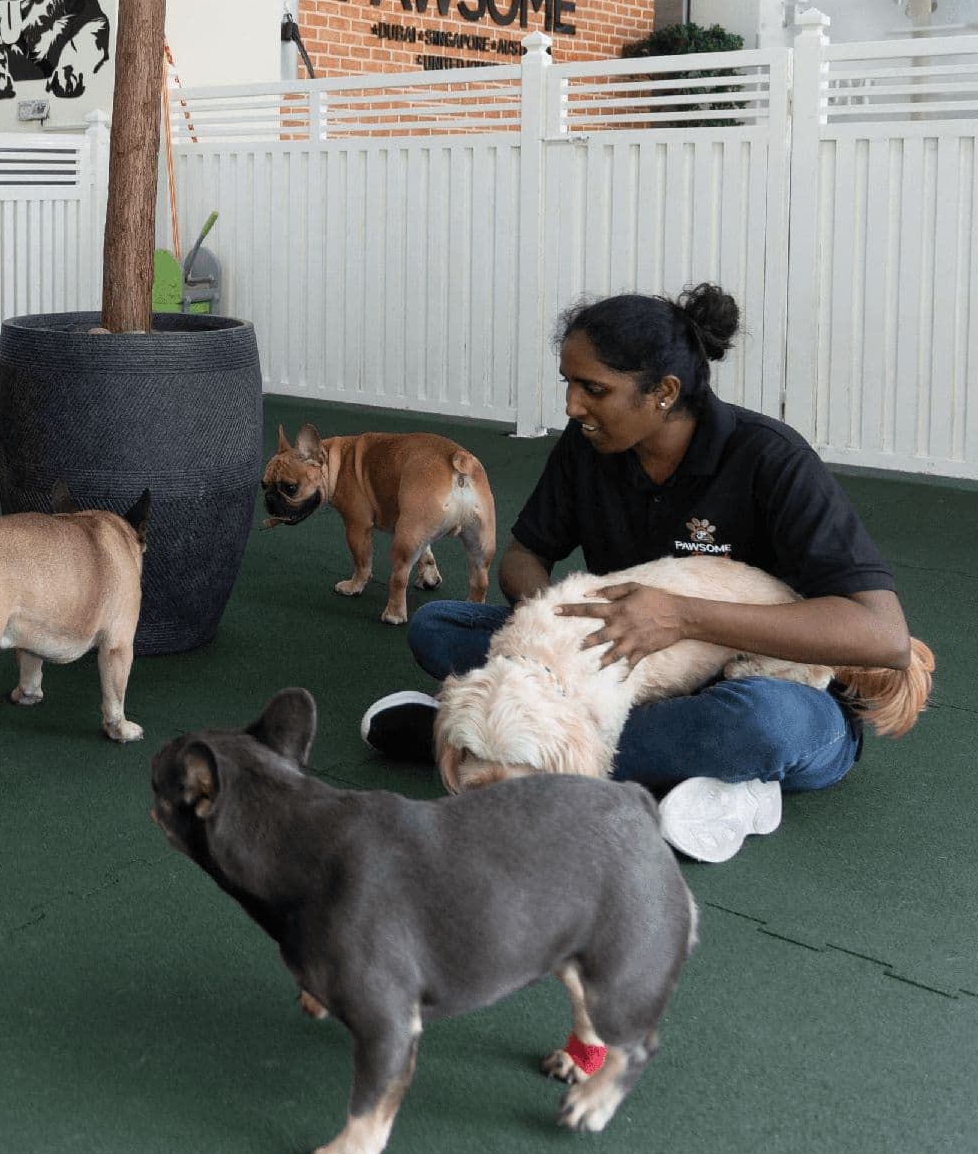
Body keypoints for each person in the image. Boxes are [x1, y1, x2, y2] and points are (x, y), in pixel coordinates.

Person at [361, 283, 916, 863]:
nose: (574, 407)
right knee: (437, 626)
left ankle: (492, 748)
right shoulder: (588, 445)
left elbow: (883, 637)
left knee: (761, 725)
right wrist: (557, 633)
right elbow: (525, 556)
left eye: (593, 390)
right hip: (619, 668)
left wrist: (680, 617)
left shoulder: (771, 459)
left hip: (775, 688)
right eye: (569, 385)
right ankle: (541, 745)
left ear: (664, 393)